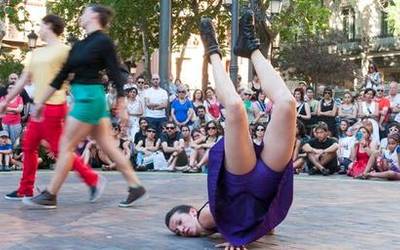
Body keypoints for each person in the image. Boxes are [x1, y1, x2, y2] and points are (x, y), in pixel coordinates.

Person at [166, 13, 295, 248]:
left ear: (192, 211)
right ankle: (251, 48)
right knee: (286, 104)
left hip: (241, 181)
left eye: (178, 222)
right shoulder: (216, 228)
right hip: (266, 183)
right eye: (177, 231)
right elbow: (267, 227)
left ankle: (213, 51)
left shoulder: (206, 217)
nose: (181, 230)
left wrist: (237, 236)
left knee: (236, 107)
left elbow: (249, 225)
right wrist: (242, 234)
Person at [23, 5, 145, 208]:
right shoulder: (79, 45)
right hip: (86, 98)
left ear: (95, 16)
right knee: (107, 145)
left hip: (89, 98)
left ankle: (50, 194)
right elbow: (60, 77)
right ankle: (135, 186)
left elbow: (116, 72)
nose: (81, 15)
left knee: (65, 146)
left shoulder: (103, 41)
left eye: (85, 12)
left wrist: (121, 102)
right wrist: (40, 101)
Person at [1, 14, 103, 202]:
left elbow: (76, 74)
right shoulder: (36, 53)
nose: (38, 29)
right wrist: (7, 100)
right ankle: (25, 189)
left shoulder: (65, 50)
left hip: (55, 107)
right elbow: (23, 79)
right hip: (38, 108)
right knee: (29, 146)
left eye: (41, 25)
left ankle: (92, 178)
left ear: (49, 25)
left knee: (59, 150)